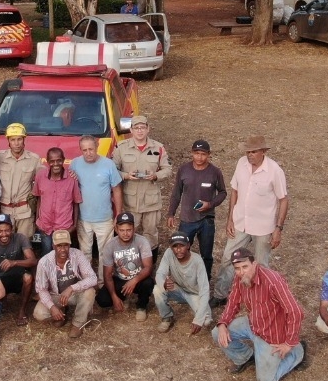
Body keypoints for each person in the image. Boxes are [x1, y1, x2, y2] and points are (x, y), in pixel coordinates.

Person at [212, 247, 307, 381]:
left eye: (245, 267)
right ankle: (245, 357)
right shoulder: (240, 279)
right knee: (217, 333)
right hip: (253, 325)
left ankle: (298, 352)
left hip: (271, 335)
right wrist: (222, 324)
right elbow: (233, 302)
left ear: (254, 264)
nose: (241, 272)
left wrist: (289, 343)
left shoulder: (273, 280)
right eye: (237, 268)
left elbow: (296, 312)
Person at [212, 135, 288, 303]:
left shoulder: (274, 170)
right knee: (227, 258)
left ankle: (261, 298)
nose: (249, 155)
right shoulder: (241, 164)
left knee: (261, 265)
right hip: (240, 223)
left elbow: (283, 200)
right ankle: (220, 294)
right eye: (248, 152)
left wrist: (278, 228)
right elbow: (235, 191)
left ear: (263, 152)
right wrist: (230, 219)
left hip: (263, 227)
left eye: (253, 152)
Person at [167, 138, 227, 280]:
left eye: (203, 154)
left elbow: (223, 192)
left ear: (209, 154)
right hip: (187, 219)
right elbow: (176, 193)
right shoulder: (183, 170)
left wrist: (210, 204)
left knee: (206, 254)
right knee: (181, 250)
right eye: (196, 153)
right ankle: (181, 279)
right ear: (191, 153)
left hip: (207, 220)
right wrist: (171, 213)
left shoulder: (215, 172)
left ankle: (204, 281)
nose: (199, 157)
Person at [113, 115, 171, 251]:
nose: (140, 131)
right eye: (136, 128)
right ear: (131, 130)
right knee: (128, 234)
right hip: (130, 202)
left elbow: (168, 169)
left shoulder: (158, 147)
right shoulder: (121, 147)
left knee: (150, 235)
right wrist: (126, 175)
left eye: (143, 127)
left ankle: (150, 268)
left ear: (148, 129)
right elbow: (112, 170)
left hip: (151, 201)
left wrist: (155, 175)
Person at [32, 229, 98, 339]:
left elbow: (93, 278)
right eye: (59, 246)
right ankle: (61, 314)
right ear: (53, 246)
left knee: (90, 292)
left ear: (70, 245)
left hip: (74, 294)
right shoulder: (44, 262)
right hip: (55, 295)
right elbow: (42, 289)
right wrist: (52, 307)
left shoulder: (77, 255)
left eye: (66, 245)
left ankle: (77, 324)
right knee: (39, 314)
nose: (63, 250)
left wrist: (72, 288)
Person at [69, 134, 122, 264]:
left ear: (97, 147)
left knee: (105, 254)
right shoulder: (75, 164)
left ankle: (103, 282)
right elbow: (69, 186)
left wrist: (119, 214)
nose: (88, 153)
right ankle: (87, 282)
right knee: (85, 253)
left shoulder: (108, 164)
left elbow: (117, 190)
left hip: (104, 218)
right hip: (83, 218)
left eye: (91, 149)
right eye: (84, 150)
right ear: (80, 150)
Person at [0, 213, 38, 325]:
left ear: (12, 229)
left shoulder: (20, 238)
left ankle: (22, 310)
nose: (4, 234)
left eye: (7, 230)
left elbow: (33, 260)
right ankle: (2, 299)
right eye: (0, 231)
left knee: (28, 277)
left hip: (17, 277)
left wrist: (14, 262)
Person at [96, 211, 155, 320]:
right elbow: (107, 275)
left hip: (138, 278)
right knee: (102, 299)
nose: (125, 233)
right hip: (120, 278)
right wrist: (114, 297)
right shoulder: (110, 245)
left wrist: (134, 280)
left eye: (129, 230)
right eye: (122, 230)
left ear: (134, 229)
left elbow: (148, 267)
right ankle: (123, 297)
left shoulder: (142, 241)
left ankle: (141, 306)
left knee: (148, 283)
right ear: (116, 230)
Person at [153, 231, 212, 334]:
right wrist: (164, 283)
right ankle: (167, 317)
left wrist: (198, 320)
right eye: (175, 246)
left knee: (206, 321)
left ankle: (193, 305)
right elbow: (160, 273)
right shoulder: (169, 253)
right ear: (171, 247)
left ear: (188, 245)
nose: (178, 250)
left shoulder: (197, 261)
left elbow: (204, 290)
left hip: (194, 294)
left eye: (182, 246)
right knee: (157, 289)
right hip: (178, 289)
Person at [32, 146, 81, 258]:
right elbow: (39, 198)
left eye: (59, 160)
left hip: (64, 226)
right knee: (46, 254)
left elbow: (76, 203)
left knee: (62, 256)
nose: (56, 164)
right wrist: (37, 221)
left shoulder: (72, 178)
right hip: (45, 226)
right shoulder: (40, 176)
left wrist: (73, 226)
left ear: (63, 160)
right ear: (48, 161)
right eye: (52, 161)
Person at [0, 123, 42, 241]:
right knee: (5, 244)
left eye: (19, 139)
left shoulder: (34, 159)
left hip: (24, 211)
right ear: (8, 141)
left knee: (25, 244)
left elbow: (46, 179)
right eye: (13, 140)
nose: (16, 143)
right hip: (5, 211)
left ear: (24, 140)